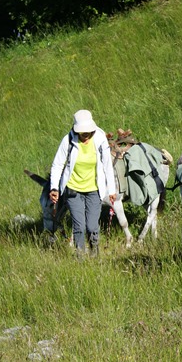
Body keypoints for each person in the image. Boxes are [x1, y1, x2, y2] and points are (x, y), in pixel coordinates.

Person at [49, 110, 116, 258]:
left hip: (94, 189)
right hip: (73, 189)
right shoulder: (68, 140)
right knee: (79, 227)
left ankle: (94, 251)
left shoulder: (100, 139)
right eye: (82, 132)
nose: (85, 134)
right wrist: (54, 188)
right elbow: (57, 164)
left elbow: (107, 166)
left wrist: (111, 190)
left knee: (92, 226)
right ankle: (79, 255)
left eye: (88, 131)